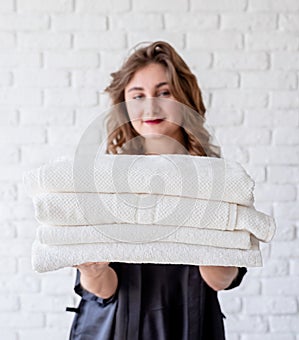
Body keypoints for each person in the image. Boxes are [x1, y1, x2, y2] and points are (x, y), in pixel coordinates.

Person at [68, 41, 247, 340]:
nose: (150, 106)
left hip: (190, 327)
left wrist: (207, 239)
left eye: (164, 93)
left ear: (184, 99)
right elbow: (103, 289)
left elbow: (222, 280)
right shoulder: (106, 181)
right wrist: (92, 269)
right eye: (137, 96)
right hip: (114, 329)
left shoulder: (216, 179)